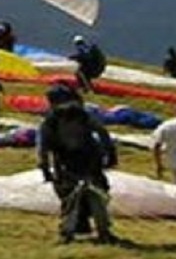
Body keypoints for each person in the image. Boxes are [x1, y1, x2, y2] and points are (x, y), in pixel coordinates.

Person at [40, 84, 122, 243]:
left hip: (66, 164)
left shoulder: (51, 120)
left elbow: (44, 146)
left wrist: (45, 168)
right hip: (90, 161)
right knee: (96, 196)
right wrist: (111, 154)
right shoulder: (82, 115)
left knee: (71, 199)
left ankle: (68, 232)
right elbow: (102, 132)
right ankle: (103, 230)